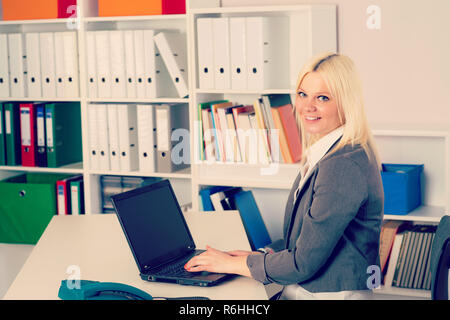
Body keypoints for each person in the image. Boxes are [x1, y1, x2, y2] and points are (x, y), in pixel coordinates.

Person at [184, 52, 384, 300]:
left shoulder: (341, 165)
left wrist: (232, 265)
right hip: (310, 288)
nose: (307, 106)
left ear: (345, 103)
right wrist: (257, 256)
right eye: (302, 94)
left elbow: (302, 263)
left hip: (327, 294)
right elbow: (305, 239)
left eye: (322, 97)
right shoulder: (331, 150)